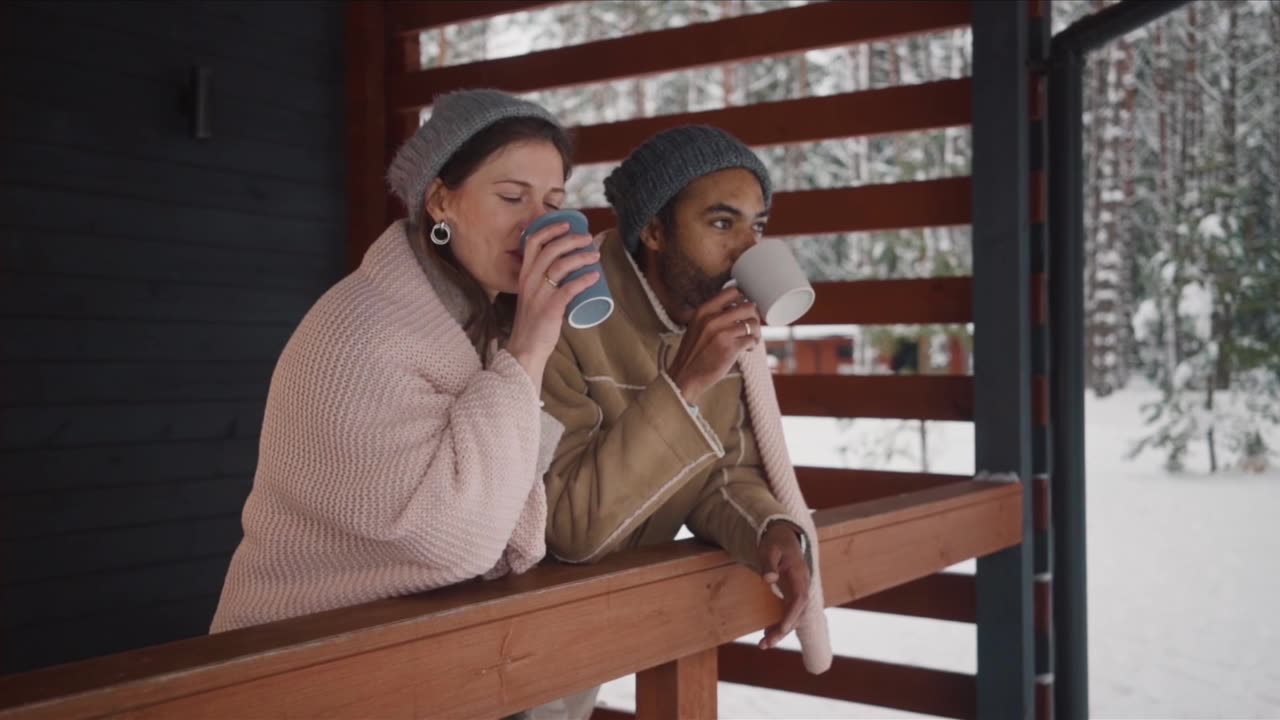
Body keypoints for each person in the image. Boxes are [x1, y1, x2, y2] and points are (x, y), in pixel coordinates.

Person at [210, 89, 599, 638]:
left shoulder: (484, 325)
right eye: (512, 197)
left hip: (407, 650)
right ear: (440, 201)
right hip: (292, 653)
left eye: (553, 204)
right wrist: (530, 349)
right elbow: (455, 540)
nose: (537, 225)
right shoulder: (359, 331)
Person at [540, 126, 832, 674]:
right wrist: (684, 384)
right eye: (723, 223)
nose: (748, 248)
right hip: (514, 625)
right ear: (653, 230)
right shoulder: (565, 310)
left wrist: (771, 532)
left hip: (599, 636)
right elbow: (569, 530)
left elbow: (723, 474)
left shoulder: (721, 327)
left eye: (757, 226)